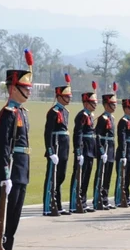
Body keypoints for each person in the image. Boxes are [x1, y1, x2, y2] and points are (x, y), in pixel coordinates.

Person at [0, 49, 34, 250]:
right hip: (8, 173)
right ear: (12, 88)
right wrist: (5, 174)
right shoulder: (7, 113)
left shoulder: (22, 113)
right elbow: (2, 147)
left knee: (14, 219)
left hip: (21, 170)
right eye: (25, 87)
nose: (28, 91)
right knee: (0, 219)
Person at [44, 73, 72, 216]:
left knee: (60, 177)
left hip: (64, 148)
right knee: (52, 178)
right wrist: (50, 151)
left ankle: (58, 204)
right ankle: (49, 205)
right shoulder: (53, 112)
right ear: (59, 96)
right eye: (66, 96)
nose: (69, 98)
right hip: (55, 147)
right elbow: (48, 133)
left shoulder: (65, 111)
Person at [69, 82, 98, 214]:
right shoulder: (82, 115)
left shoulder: (90, 116)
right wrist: (78, 151)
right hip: (84, 149)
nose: (95, 104)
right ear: (86, 103)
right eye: (93, 102)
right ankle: (75, 202)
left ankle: (83, 201)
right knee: (78, 176)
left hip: (90, 150)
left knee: (86, 176)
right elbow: (78, 133)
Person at [94, 82, 119, 211]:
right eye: (112, 104)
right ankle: (97, 198)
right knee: (101, 175)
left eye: (115, 104)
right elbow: (97, 135)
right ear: (106, 105)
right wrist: (101, 150)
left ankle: (105, 198)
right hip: (104, 147)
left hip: (111, 148)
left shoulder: (112, 118)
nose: (114, 106)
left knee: (108, 174)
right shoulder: (102, 118)